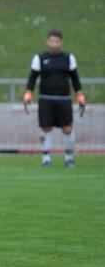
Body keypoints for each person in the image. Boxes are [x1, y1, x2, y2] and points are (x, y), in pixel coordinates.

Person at [23, 28, 86, 168]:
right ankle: (46, 159)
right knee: (46, 127)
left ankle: (69, 157)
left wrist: (80, 95)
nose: (54, 44)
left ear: (61, 42)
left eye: (57, 41)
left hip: (64, 99)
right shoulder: (39, 58)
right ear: (47, 41)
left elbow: (75, 79)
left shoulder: (68, 58)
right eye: (51, 41)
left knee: (67, 129)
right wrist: (28, 94)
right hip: (46, 99)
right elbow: (32, 79)